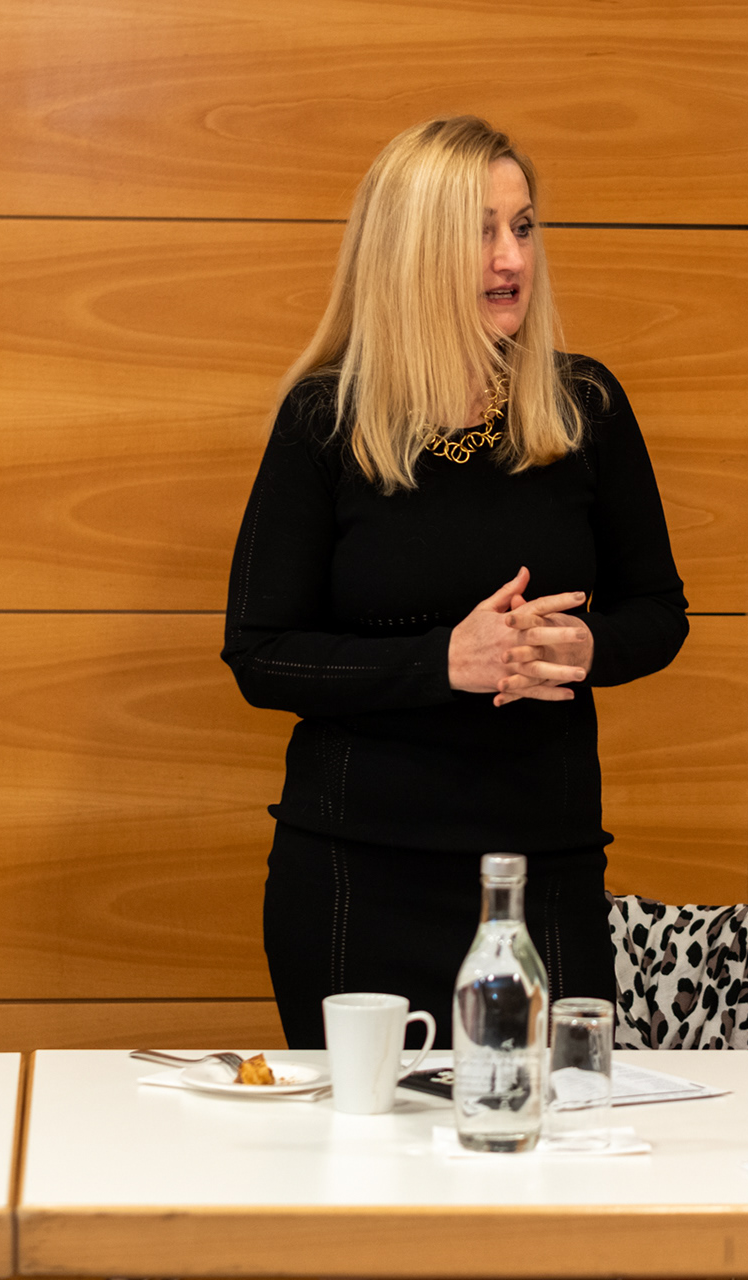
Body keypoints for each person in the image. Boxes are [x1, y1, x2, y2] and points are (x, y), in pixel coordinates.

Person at [222, 117, 688, 1049]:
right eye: (481, 231)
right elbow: (262, 654)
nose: (511, 257)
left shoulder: (584, 405)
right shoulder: (327, 419)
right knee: (369, 1138)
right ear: (411, 249)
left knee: (545, 1129)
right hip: (359, 871)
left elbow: (659, 614)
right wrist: (444, 662)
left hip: (542, 869)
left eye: (524, 226)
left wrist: (587, 647)